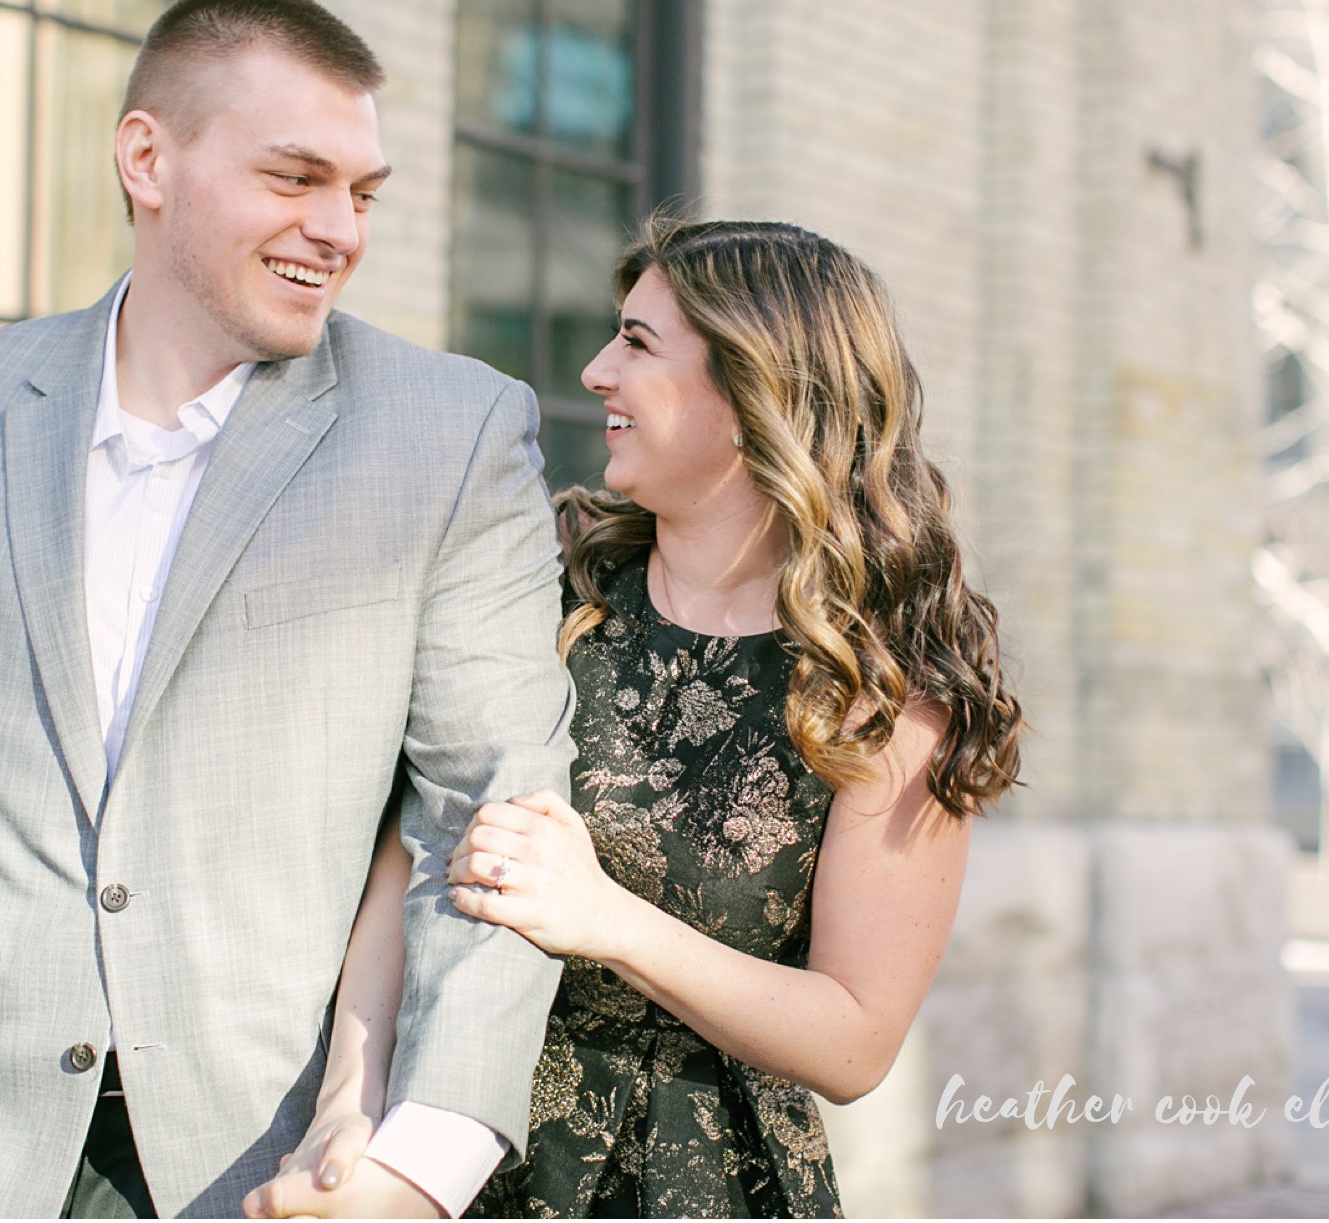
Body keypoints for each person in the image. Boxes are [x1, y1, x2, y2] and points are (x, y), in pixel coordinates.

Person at [0, 0, 575, 1218]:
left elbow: (489, 820)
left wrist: (418, 1169)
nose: (337, 229)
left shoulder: (453, 434)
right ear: (146, 158)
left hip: (260, 1170)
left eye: (362, 193)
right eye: (294, 178)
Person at [249, 217, 1024, 1219]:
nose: (596, 371)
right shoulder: (547, 585)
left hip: (699, 1183)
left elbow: (855, 1039)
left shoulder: (882, 688)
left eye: (637, 343)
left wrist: (605, 918)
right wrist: (350, 1109)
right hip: (452, 1157)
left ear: (752, 395)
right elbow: (420, 855)